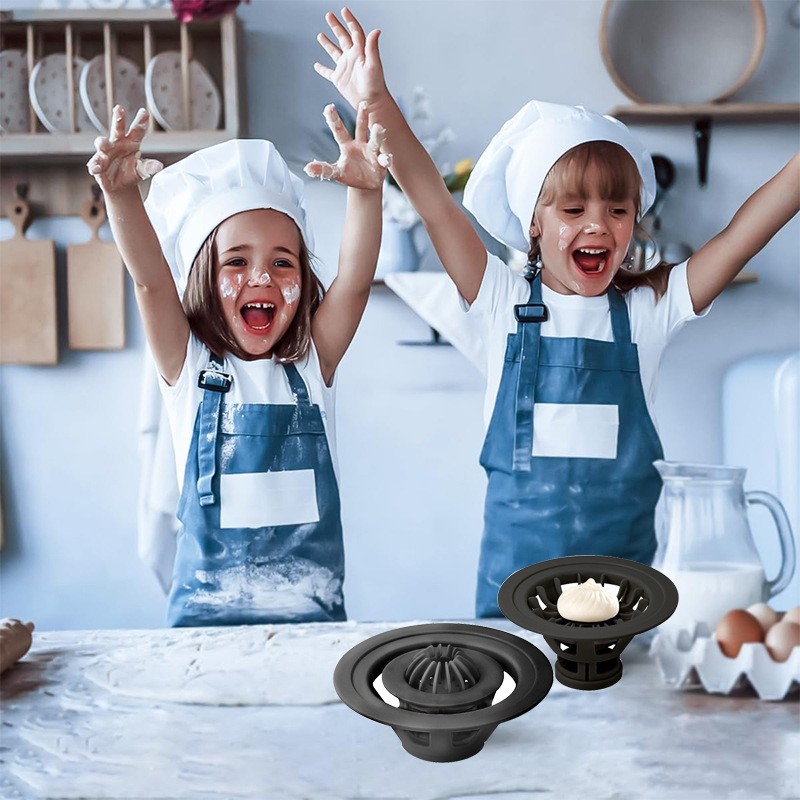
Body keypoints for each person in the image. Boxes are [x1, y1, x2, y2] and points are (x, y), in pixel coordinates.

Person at [314, 8, 800, 616]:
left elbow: (739, 238)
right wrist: (378, 101)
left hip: (629, 609)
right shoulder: (501, 302)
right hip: (513, 605)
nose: (599, 224)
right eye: (574, 210)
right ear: (534, 224)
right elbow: (436, 205)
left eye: (617, 211)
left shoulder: (650, 309)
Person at [87, 102, 389, 626]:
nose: (261, 278)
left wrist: (366, 193)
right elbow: (151, 280)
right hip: (205, 629)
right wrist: (119, 195)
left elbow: (356, 280)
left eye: (281, 262)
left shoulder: (313, 364)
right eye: (236, 261)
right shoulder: (189, 366)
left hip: (312, 628)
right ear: (204, 276)